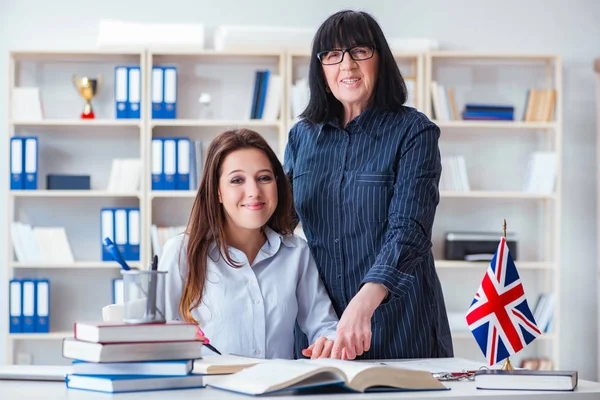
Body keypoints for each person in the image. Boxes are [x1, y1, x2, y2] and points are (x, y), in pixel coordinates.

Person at [284, 10, 453, 360]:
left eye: (359, 50)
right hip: (324, 332)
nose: (347, 65)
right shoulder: (302, 137)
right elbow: (277, 225)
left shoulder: (414, 132)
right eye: (332, 55)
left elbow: (410, 230)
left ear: (380, 59)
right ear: (321, 70)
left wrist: (364, 303)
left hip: (402, 327)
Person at [159, 129, 339, 359]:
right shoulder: (181, 252)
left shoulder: (297, 253)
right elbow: (156, 339)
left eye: (264, 178)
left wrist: (327, 342)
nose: (254, 192)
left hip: (279, 392)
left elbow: (325, 326)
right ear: (217, 192)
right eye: (237, 180)